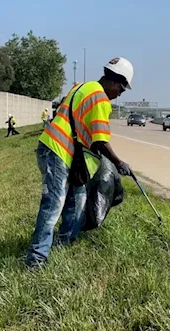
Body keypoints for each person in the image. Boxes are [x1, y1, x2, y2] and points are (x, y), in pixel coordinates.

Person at [26, 57, 135, 268]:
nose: (119, 94)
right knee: (54, 204)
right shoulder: (100, 98)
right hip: (58, 151)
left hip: (61, 151)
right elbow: (101, 141)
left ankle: (65, 242)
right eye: (121, 89)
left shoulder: (83, 87)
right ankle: (36, 259)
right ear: (114, 81)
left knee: (78, 199)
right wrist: (119, 163)